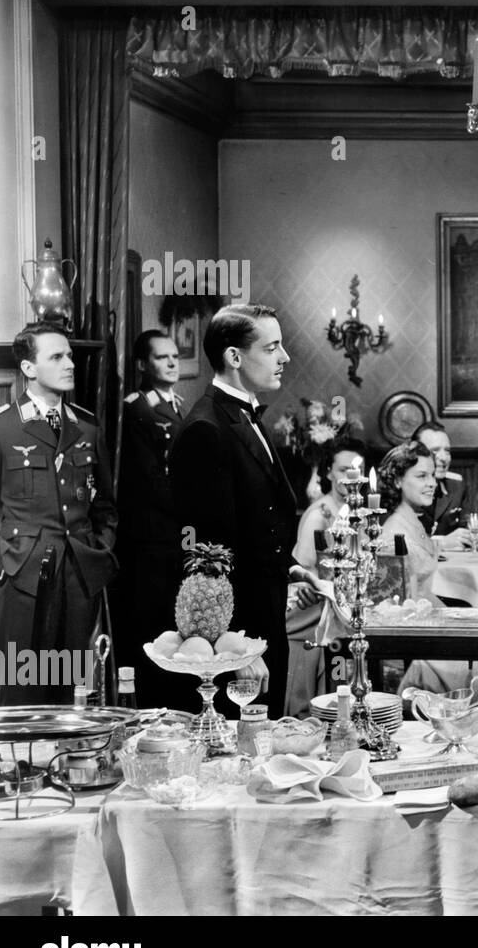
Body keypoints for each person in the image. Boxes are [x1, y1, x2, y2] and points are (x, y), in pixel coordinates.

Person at [170, 304, 307, 718]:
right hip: (239, 631)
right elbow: (204, 556)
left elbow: (251, 522)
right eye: (272, 347)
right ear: (234, 357)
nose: (284, 358)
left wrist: (291, 567)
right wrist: (234, 648)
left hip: (264, 611)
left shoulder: (243, 411)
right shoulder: (205, 429)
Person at [0, 323, 118, 706]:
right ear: (29, 368)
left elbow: (106, 506)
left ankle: (71, 763)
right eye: (57, 357)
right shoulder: (1, 427)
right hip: (23, 572)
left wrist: (100, 549)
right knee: (20, 684)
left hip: (79, 572)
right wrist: (5, 559)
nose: (70, 364)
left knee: (76, 689)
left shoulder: (86, 426)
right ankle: (20, 766)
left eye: (70, 355)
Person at [375, 442, 478, 702]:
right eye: (421, 476)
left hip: (438, 628)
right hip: (424, 641)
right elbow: (402, 609)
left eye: (432, 476)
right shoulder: (394, 533)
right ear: (398, 481)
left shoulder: (415, 521)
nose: (432, 483)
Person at [113, 330, 188, 708]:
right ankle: (151, 705)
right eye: (162, 357)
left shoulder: (179, 406)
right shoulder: (137, 409)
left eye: (175, 356)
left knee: (175, 628)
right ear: (144, 364)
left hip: (175, 538)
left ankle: (174, 704)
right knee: (152, 625)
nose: (173, 363)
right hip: (150, 539)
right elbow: (149, 479)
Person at [287, 437, 369, 716]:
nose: (350, 477)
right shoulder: (319, 516)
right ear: (329, 472)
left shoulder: (354, 512)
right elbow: (303, 571)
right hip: (313, 605)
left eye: (355, 470)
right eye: (343, 470)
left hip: (341, 600)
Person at [412, 421, 472, 550]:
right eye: (435, 451)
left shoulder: (456, 487)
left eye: (447, 451)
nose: (444, 458)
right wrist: (441, 544)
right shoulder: (403, 488)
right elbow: (392, 542)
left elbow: (471, 530)